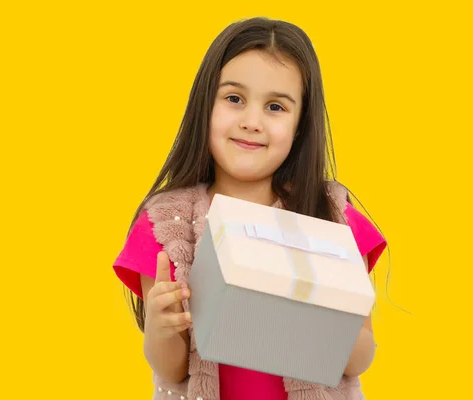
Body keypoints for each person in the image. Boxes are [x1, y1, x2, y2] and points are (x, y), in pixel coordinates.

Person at [112, 16, 387, 400]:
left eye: (275, 107)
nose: (252, 122)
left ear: (300, 125)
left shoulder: (331, 218)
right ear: (205, 104)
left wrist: (323, 326)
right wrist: (161, 328)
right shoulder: (167, 224)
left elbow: (359, 356)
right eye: (234, 99)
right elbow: (172, 367)